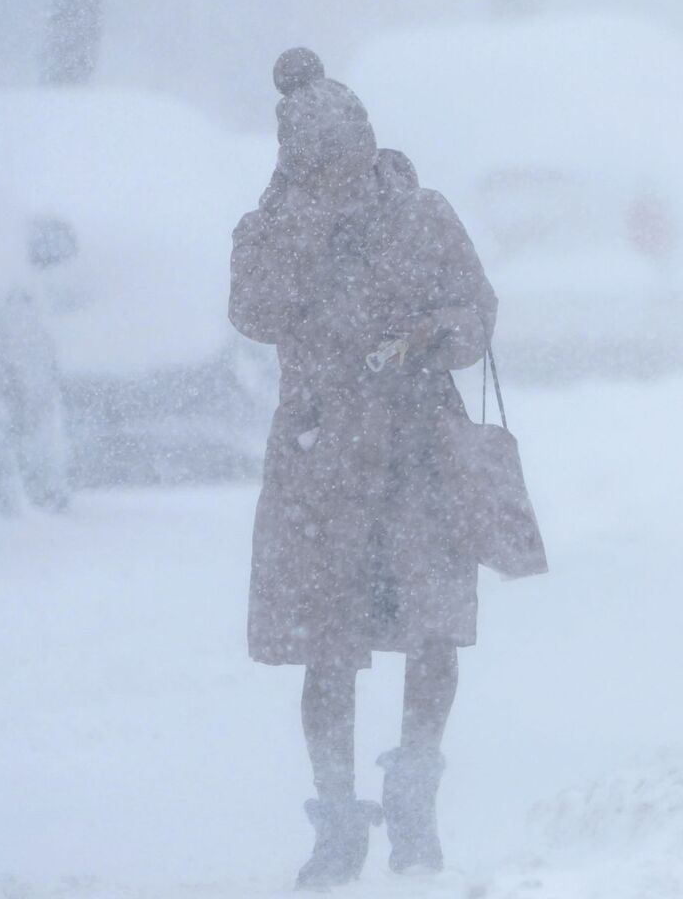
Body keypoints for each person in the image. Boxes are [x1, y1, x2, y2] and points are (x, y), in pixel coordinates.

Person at [229, 47, 498, 888]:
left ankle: (414, 800)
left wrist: (430, 335)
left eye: (344, 156)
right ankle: (338, 820)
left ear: (366, 143)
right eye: (317, 165)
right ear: (296, 161)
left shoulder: (423, 215)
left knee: (432, 630)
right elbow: (254, 312)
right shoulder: (272, 227)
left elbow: (476, 312)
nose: (337, 176)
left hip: (418, 453)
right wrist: (301, 224)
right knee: (325, 647)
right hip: (322, 463)